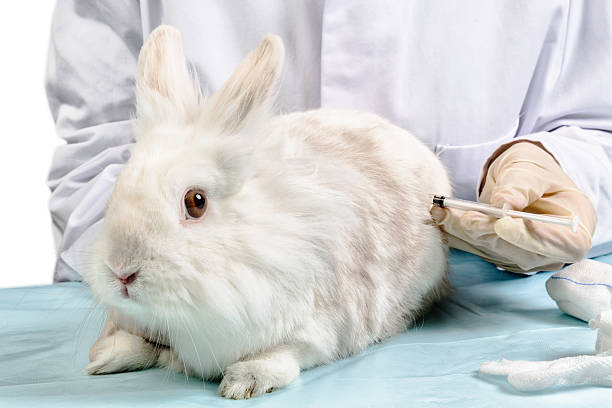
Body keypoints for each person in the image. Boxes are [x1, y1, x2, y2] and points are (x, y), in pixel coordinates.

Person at [46, 0, 611, 281]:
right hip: (184, 319)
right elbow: (97, 155)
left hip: (477, 315)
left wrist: (552, 166)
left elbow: (599, 122)